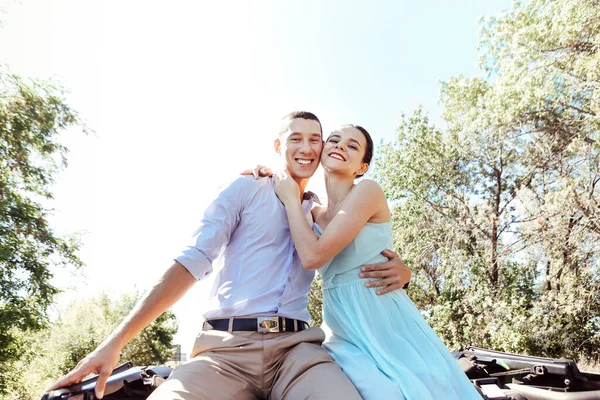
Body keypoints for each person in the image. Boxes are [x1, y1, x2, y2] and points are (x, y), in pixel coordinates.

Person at [48, 111, 411, 400]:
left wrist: (402, 270)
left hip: (299, 351)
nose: (307, 147)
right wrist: (116, 341)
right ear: (277, 145)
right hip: (225, 352)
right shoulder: (245, 188)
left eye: (315, 139)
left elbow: (359, 249)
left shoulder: (318, 213)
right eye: (295, 138)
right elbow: (192, 260)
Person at [269, 124, 482, 399]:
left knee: (410, 388)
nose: (340, 146)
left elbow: (312, 256)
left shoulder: (368, 190)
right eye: (334, 140)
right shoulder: (313, 212)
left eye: (352, 146)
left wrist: (289, 199)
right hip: (342, 325)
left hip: (383, 318)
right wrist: (269, 174)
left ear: (362, 167)